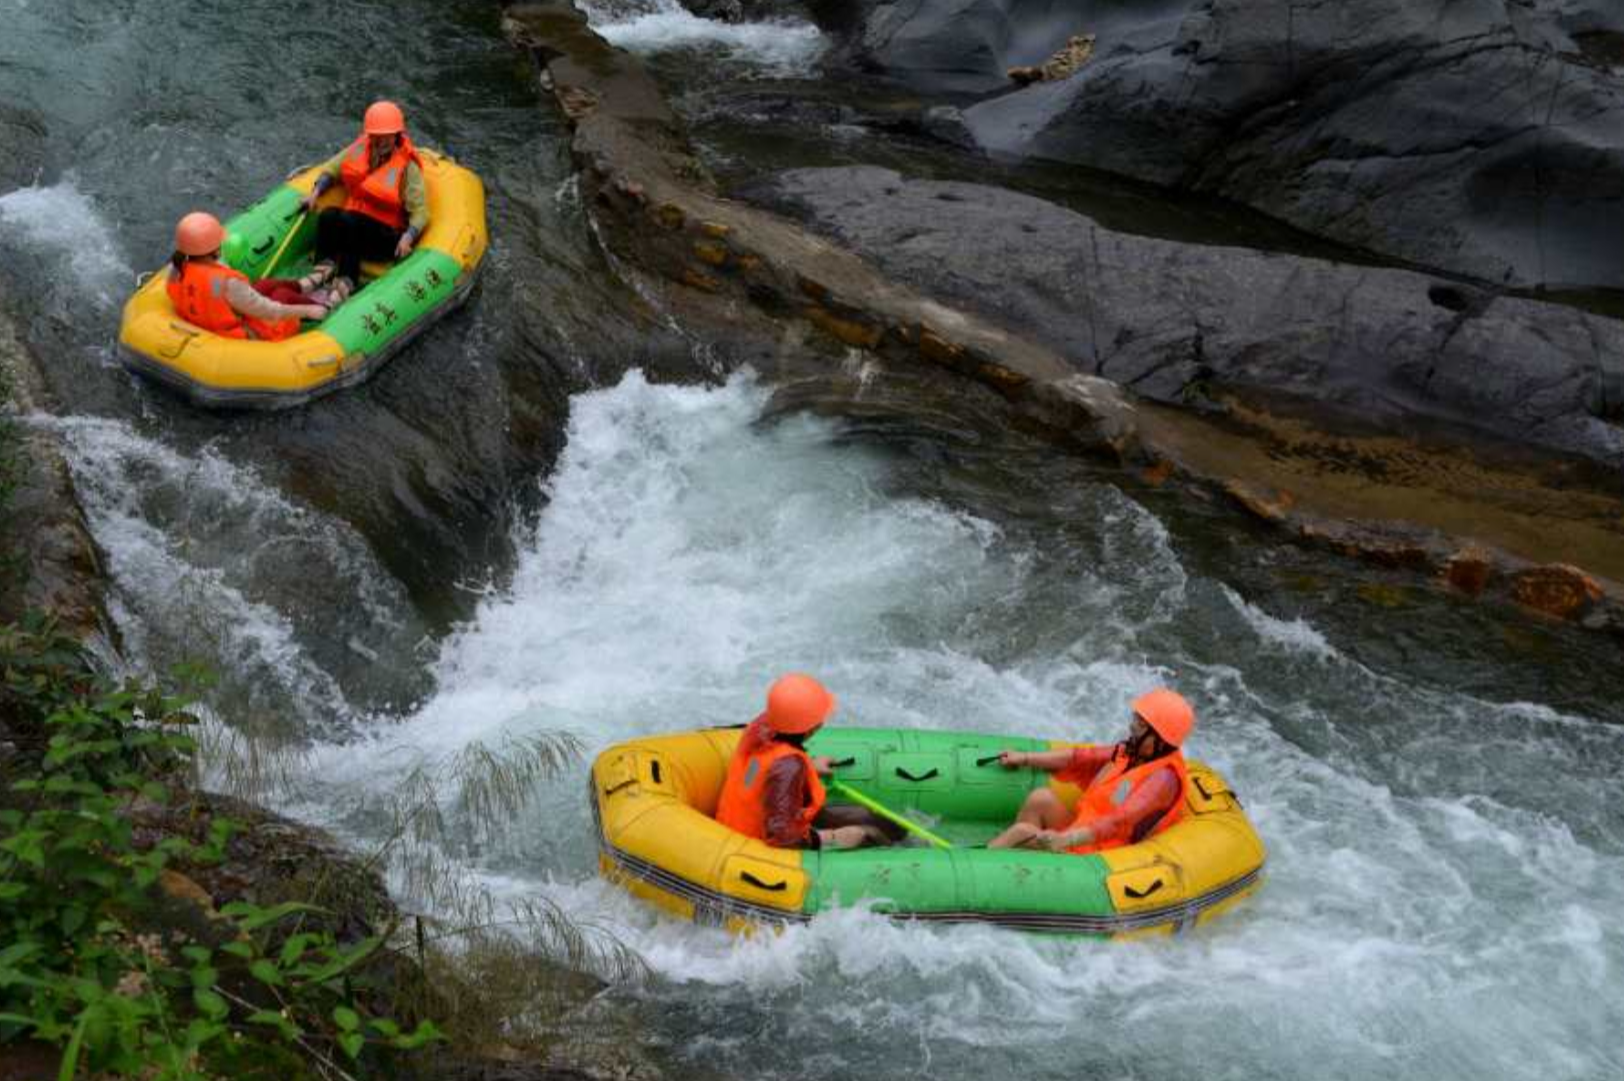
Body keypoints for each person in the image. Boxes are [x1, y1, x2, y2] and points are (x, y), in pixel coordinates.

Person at [987, 687, 1194, 853]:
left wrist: (1066, 839)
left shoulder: (1163, 779)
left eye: (1140, 724)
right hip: (1084, 831)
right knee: (1041, 799)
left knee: (1022, 832)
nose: (1132, 727)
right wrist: (1024, 758)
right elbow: (1079, 758)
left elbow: (1120, 821)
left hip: (1106, 854)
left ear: (1159, 738)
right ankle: (1021, 867)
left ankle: (985, 862)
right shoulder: (1130, 752)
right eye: (1135, 719)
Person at [715, 673, 904, 850]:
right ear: (811, 729)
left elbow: (766, 770)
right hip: (754, 844)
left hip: (735, 825)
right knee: (872, 834)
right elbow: (780, 834)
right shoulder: (789, 766)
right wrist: (832, 837)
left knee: (872, 817)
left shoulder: (760, 728)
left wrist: (809, 767)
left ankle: (903, 836)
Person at [299, 100, 429, 307]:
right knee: (329, 216)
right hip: (355, 223)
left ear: (396, 135)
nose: (381, 141)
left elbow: (420, 212)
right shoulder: (361, 148)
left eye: (386, 136)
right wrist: (315, 193)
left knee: (351, 222)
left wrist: (408, 236)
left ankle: (346, 280)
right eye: (377, 135)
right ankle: (324, 268)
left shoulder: (408, 168)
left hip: (387, 238)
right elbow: (332, 168)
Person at [166, 212, 327, 342]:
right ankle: (323, 306)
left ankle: (304, 285)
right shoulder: (225, 283)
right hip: (240, 335)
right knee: (281, 295)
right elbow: (270, 311)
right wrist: (307, 311)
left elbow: (213, 293)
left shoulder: (176, 268)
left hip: (211, 321)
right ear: (214, 249)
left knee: (264, 284)